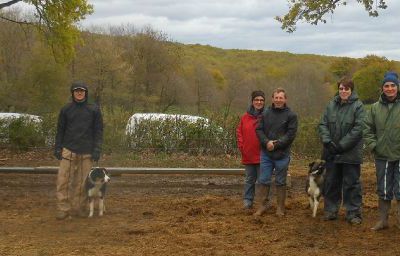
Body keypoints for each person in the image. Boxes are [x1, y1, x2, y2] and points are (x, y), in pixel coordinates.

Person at [54, 81, 103, 220]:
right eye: (76, 91)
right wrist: (58, 147)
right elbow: (60, 130)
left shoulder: (94, 110)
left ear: (86, 93)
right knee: (63, 180)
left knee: (83, 182)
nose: (79, 93)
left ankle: (80, 208)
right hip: (68, 150)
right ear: (72, 93)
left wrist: (97, 149)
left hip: (87, 152)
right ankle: (63, 208)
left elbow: (98, 131)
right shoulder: (66, 110)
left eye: (82, 91)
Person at [318, 77, 364, 225]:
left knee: (351, 183)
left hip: (350, 153)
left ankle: (353, 213)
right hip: (330, 152)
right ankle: (331, 210)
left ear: (351, 90)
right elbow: (322, 124)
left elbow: (358, 129)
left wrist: (342, 145)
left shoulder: (358, 106)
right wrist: (327, 141)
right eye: (341, 89)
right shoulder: (330, 105)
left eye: (346, 89)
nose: (343, 91)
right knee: (331, 182)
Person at [364, 71, 400, 231]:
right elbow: (367, 129)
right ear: (382, 88)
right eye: (387, 86)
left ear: (397, 87)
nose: (390, 88)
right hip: (382, 155)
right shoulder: (374, 108)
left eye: (393, 85)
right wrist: (374, 146)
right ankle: (383, 221)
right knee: (384, 187)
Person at [255, 87, 298, 216]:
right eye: (276, 98)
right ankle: (262, 205)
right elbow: (259, 130)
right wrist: (266, 142)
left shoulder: (291, 115)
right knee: (263, 179)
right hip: (266, 153)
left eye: (281, 98)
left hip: (282, 155)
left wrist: (276, 144)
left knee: (280, 181)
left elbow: (290, 134)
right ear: (272, 99)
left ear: (285, 99)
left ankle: (280, 207)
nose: (278, 100)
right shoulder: (265, 113)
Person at [236, 90, 265, 209]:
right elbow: (239, 132)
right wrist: (242, 147)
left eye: (261, 100)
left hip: (263, 155)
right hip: (248, 154)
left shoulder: (267, 115)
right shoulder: (245, 117)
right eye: (256, 100)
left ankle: (263, 202)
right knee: (249, 179)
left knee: (263, 180)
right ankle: (248, 200)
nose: (259, 102)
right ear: (252, 101)